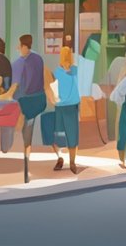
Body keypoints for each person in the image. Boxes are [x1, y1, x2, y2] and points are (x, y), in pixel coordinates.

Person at [11, 34, 46, 182]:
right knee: (28, 129)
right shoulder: (38, 58)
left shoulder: (19, 63)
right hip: (39, 100)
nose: (18, 48)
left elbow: (15, 86)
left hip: (25, 102)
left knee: (20, 130)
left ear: (24, 46)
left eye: (19, 46)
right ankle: (26, 160)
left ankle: (22, 164)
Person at [45, 46, 80, 174]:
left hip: (62, 107)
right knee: (70, 135)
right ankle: (70, 161)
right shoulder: (73, 71)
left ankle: (62, 159)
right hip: (69, 107)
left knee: (61, 134)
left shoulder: (58, 72)